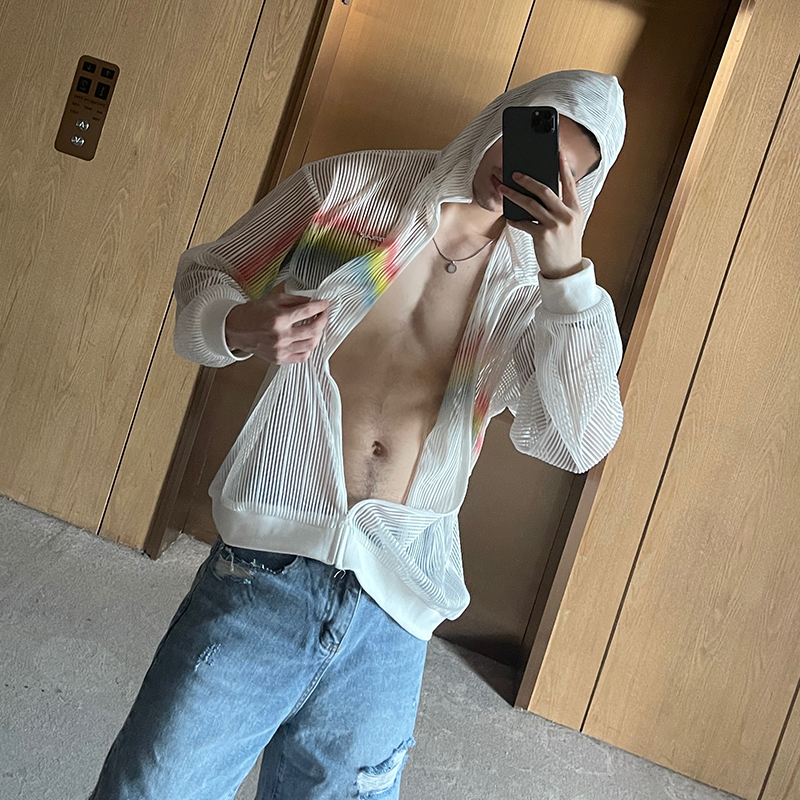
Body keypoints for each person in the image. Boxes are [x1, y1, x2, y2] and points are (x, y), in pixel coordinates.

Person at [90, 68, 627, 800]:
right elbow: (206, 277)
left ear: (579, 192)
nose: (528, 169)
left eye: (560, 170)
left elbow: (582, 439)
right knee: (148, 789)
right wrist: (238, 324)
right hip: (266, 562)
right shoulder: (348, 188)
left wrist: (567, 275)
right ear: (502, 116)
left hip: (394, 605)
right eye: (530, 134)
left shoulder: (542, 293)